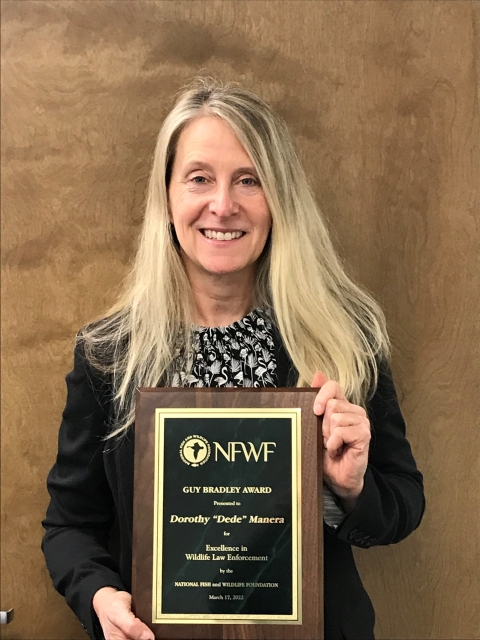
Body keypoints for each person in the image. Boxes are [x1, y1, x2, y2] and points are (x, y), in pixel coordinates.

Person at [42, 79, 425, 640]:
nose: (223, 205)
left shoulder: (347, 336)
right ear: (167, 198)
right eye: (199, 178)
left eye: (249, 180)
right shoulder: (109, 355)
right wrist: (99, 595)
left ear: (278, 199)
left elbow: (404, 504)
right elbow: (69, 525)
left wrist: (350, 489)